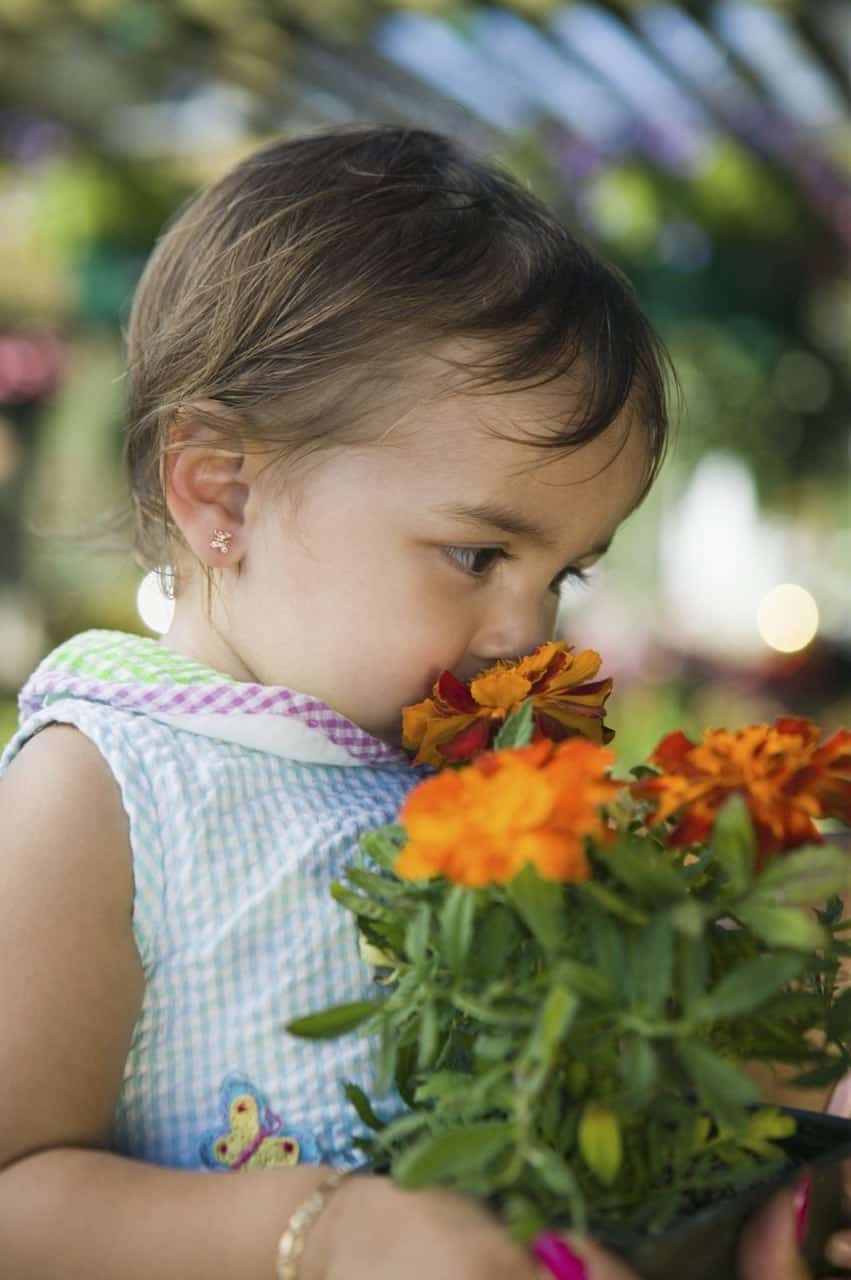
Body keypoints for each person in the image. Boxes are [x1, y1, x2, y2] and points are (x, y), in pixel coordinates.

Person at [0, 125, 843, 1280]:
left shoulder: (465, 770)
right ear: (220, 491)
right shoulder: (105, 784)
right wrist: (320, 1229)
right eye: (475, 552)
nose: (527, 632)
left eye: (564, 572)